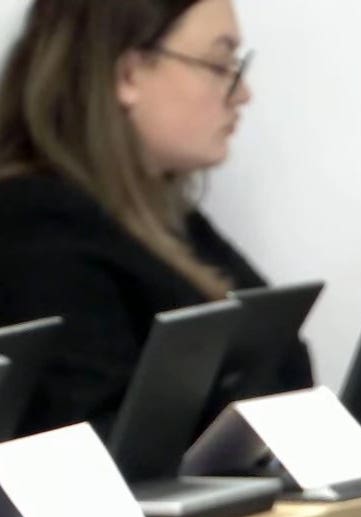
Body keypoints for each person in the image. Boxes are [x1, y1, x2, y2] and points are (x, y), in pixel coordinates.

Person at [0, 0, 311, 439]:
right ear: (128, 75)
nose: (243, 94)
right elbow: (97, 450)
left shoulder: (166, 217)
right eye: (220, 64)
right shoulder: (33, 229)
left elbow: (285, 376)